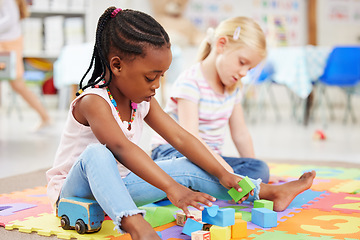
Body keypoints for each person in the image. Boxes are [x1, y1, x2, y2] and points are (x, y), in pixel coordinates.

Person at [46, 7, 316, 240]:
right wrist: (172, 188)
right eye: (151, 77)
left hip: (119, 185)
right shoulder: (93, 101)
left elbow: (181, 138)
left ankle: (267, 191)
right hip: (75, 193)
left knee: (188, 165)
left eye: (161, 77)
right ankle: (135, 224)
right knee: (98, 153)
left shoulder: (142, 100)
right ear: (117, 66)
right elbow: (121, 148)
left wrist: (223, 173)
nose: (157, 86)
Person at [151, 16, 280, 183]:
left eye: (249, 68)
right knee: (190, 167)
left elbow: (240, 133)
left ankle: (202, 184)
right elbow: (190, 137)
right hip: (173, 152)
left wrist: (255, 171)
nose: (244, 73)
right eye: (242, 62)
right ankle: (198, 182)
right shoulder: (190, 81)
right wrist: (222, 169)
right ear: (221, 45)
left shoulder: (234, 88)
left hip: (208, 158)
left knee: (260, 169)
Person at [0, 0, 51, 130]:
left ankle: (45, 117)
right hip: (8, 44)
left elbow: (10, 20)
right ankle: (45, 117)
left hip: (8, 45)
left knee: (18, 85)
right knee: (18, 85)